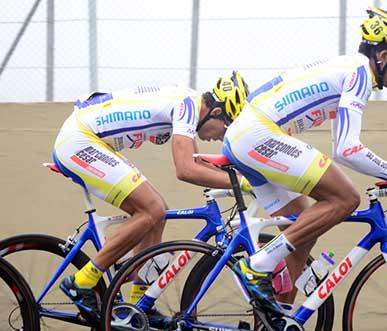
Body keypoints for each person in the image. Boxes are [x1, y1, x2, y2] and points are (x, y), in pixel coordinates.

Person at [223, 7, 387, 314]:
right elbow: (349, 150)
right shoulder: (360, 72)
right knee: (346, 198)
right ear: (381, 55)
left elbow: (342, 145)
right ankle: (256, 266)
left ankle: (278, 317)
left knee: (303, 228)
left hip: (247, 136)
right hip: (256, 134)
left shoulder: (350, 69)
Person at [53, 71, 250, 325]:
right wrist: (241, 185)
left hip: (89, 139)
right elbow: (185, 170)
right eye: (225, 127)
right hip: (79, 141)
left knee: (157, 214)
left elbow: (197, 162)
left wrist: (235, 174)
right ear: (214, 112)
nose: (221, 136)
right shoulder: (187, 107)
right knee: (151, 209)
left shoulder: (189, 104)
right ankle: (82, 282)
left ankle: (140, 303)